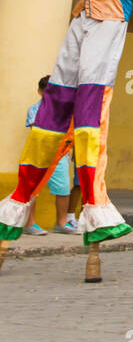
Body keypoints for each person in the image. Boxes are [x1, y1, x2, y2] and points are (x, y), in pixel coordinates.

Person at [0, 0, 133, 277]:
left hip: (110, 22)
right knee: (58, 101)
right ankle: (62, 110)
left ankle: (94, 224)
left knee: (90, 111)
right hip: (84, 18)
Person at [23, 77, 79, 235]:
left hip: (60, 155)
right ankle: (30, 223)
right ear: (40, 92)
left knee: (62, 189)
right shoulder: (34, 110)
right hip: (39, 155)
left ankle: (61, 222)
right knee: (33, 190)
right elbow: (37, 132)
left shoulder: (66, 111)